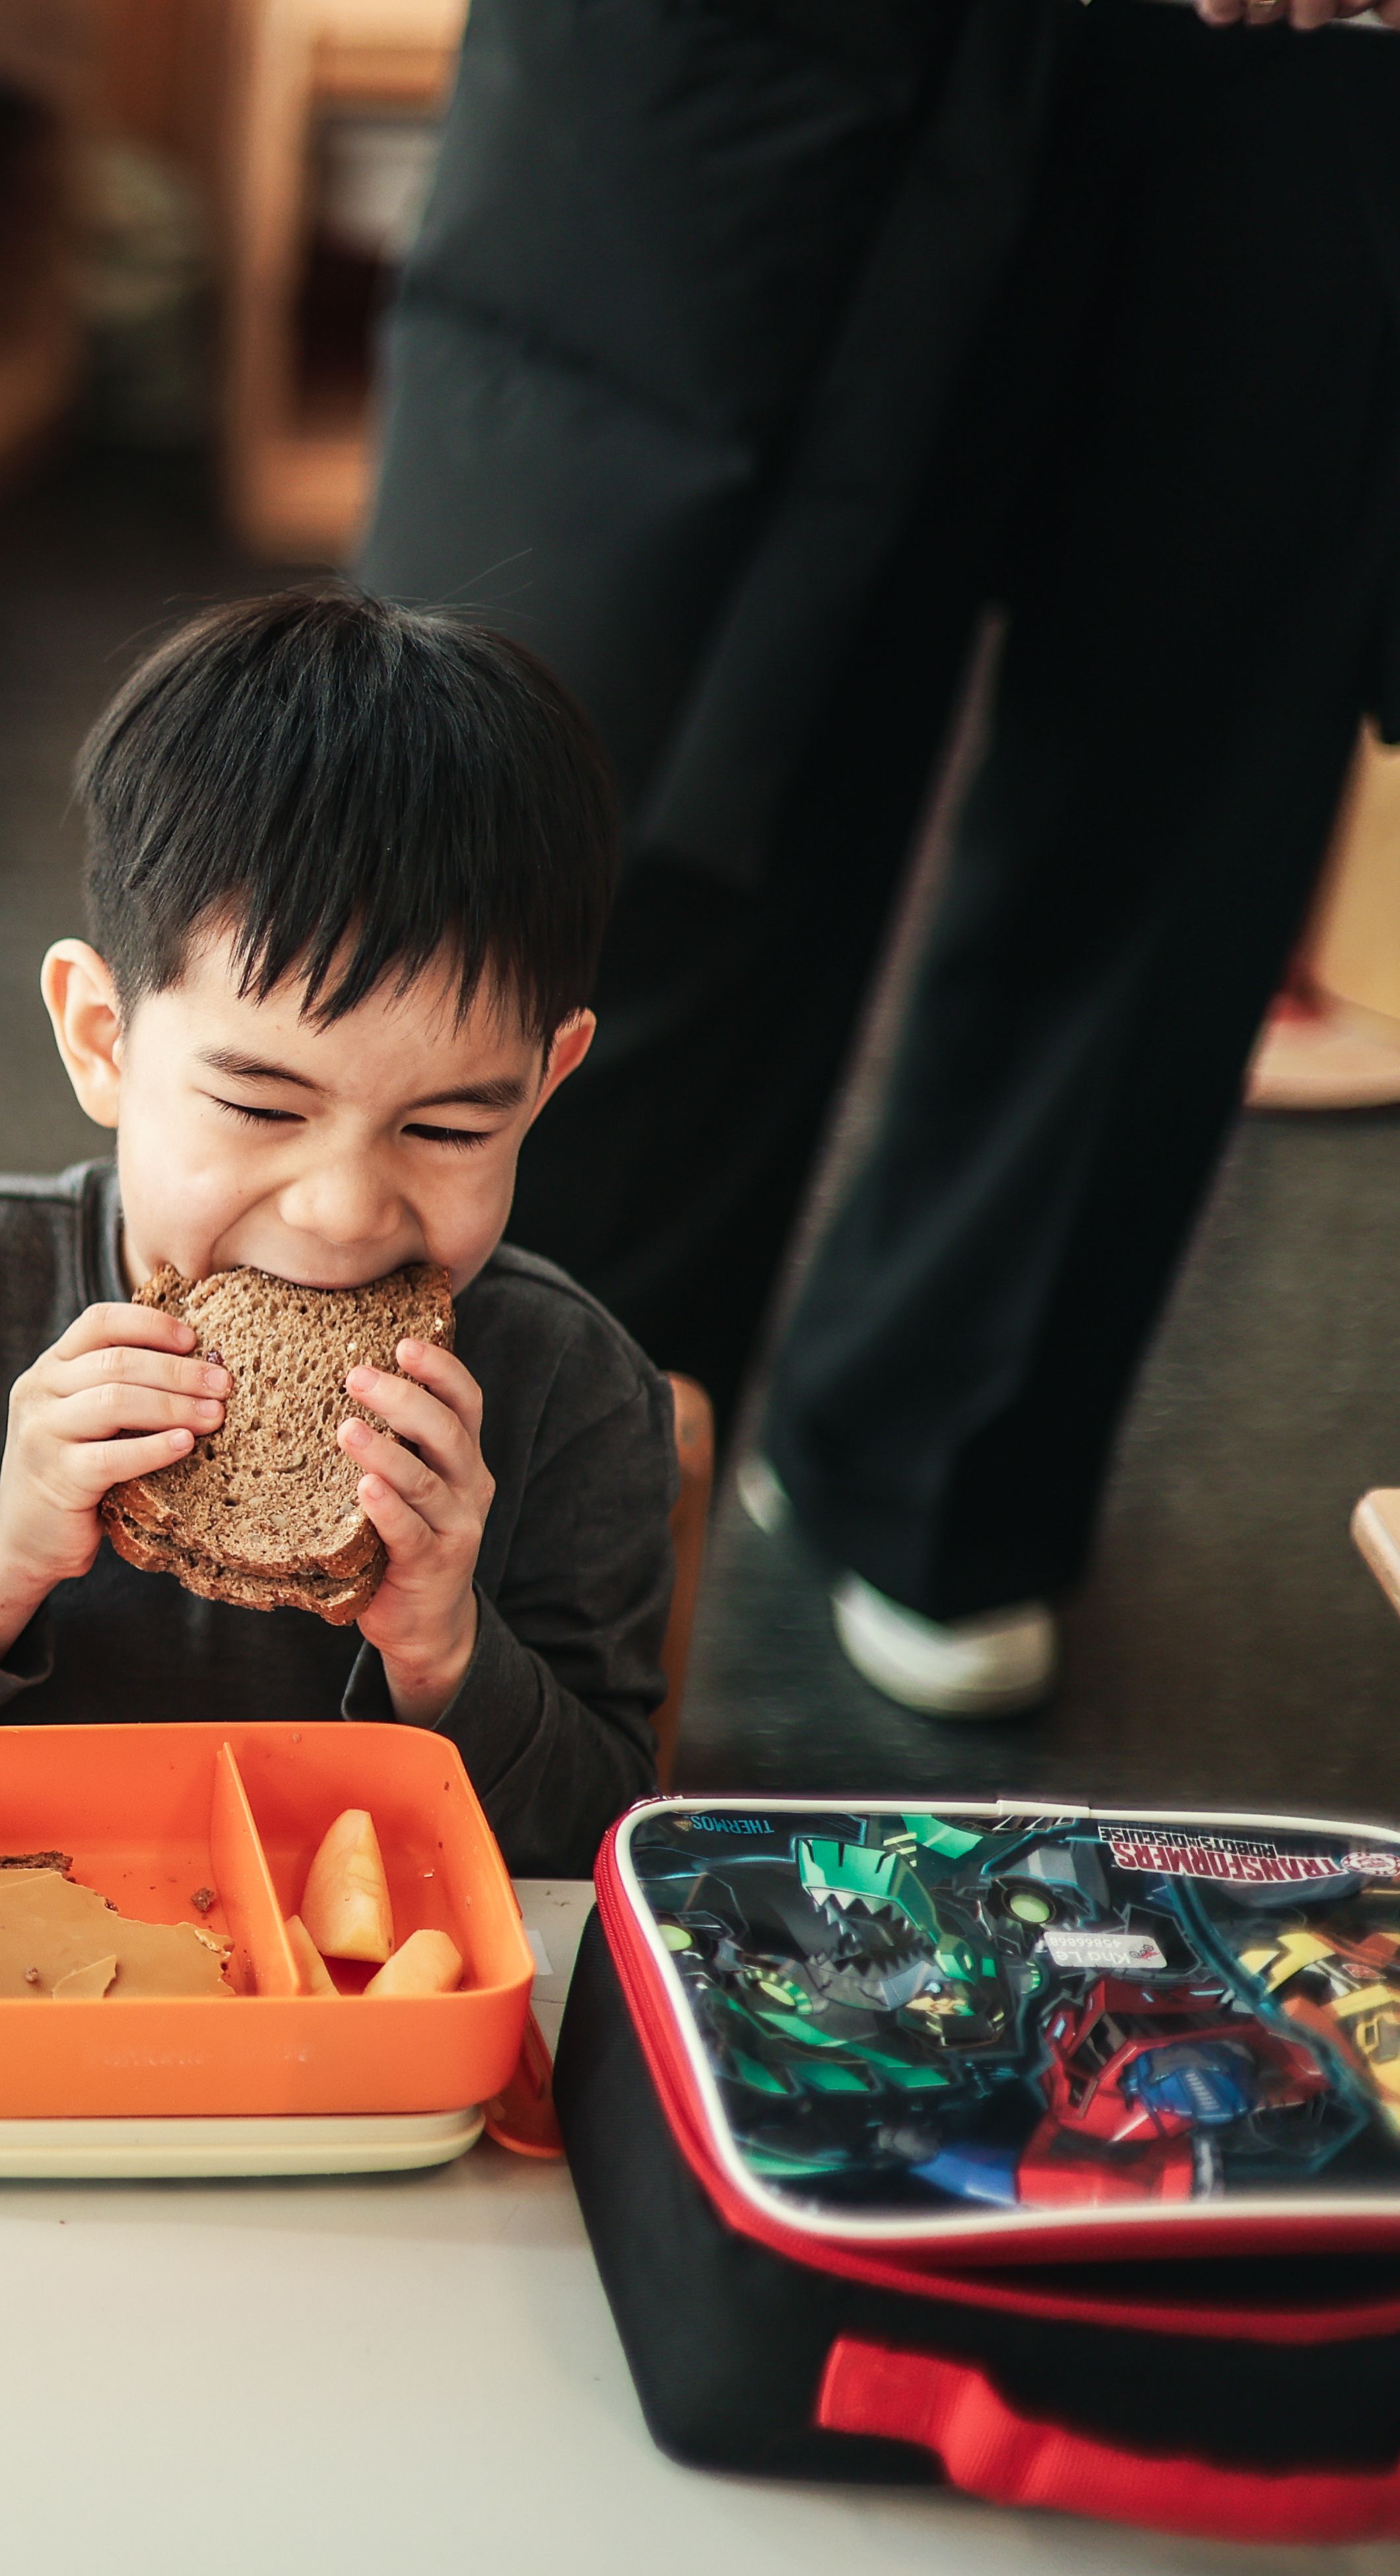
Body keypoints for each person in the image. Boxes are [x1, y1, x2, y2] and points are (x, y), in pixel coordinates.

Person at [356, 0, 1400, 1716]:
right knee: (598, 729)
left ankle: (942, 1455)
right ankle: (481, 1495)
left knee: (1198, 713)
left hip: (1284, 67)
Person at [0, 586, 672, 1880]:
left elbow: (602, 1847)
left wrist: (446, 1650)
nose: (338, 1208)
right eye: (258, 1103)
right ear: (99, 1040)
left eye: (444, 1130)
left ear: (542, 1088)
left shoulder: (572, 1392)